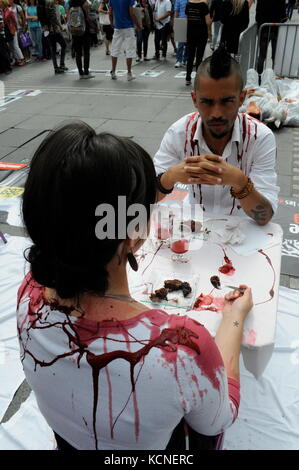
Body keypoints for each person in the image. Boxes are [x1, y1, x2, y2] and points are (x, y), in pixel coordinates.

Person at [18, 120, 253, 450]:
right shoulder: (178, 347)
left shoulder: (28, 294)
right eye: (148, 204)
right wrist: (233, 318)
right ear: (132, 231)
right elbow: (219, 417)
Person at [154, 48, 279, 225]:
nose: (216, 113)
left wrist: (240, 181)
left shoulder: (260, 137)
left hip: (243, 229)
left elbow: (264, 216)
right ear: (195, 99)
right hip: (195, 225)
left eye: (227, 101)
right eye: (207, 102)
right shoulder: (179, 133)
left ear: (241, 98)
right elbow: (146, 197)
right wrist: (170, 176)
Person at [109, 0, 141, 81]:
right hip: (128, 27)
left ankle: (113, 72)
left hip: (118, 26)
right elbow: (132, 13)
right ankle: (129, 73)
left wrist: (111, 23)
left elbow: (110, 12)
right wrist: (138, 25)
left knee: (115, 49)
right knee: (129, 50)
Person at [255, 0, 287, 79]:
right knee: (275, 56)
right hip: (276, 29)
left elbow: (257, 15)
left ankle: (259, 78)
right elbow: (284, 16)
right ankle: (273, 77)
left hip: (264, 29)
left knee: (262, 56)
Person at [185, 0, 212, 86]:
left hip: (190, 34)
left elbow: (186, 20)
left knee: (190, 56)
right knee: (199, 57)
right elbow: (208, 22)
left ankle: (188, 78)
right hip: (201, 34)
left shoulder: (188, 4)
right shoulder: (203, 5)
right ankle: (198, 79)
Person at [68, 0, 94, 78]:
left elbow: (68, 16)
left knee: (78, 53)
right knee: (86, 52)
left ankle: (80, 73)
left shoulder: (70, 2)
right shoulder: (83, 2)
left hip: (74, 30)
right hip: (84, 30)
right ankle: (86, 72)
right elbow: (88, 14)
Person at [44, 0, 68, 73]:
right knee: (63, 45)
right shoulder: (52, 5)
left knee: (53, 49)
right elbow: (55, 18)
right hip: (54, 30)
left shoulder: (46, 4)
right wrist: (60, 27)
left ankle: (56, 67)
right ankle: (61, 65)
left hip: (48, 30)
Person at [1, 0, 26, 65]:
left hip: (12, 29)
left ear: (4, 3)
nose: (0, 4)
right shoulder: (2, 11)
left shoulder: (9, 11)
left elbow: (14, 20)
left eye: (0, 3)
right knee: (11, 46)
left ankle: (22, 59)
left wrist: (15, 28)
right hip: (7, 30)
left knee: (15, 45)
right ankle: (17, 59)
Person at [174, 0, 188, 68]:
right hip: (181, 21)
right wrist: (175, 23)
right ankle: (178, 60)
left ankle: (185, 59)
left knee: (189, 43)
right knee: (180, 43)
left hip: (191, 22)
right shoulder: (178, 0)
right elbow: (176, 11)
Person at [0, 6, 13, 73]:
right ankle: (3, 68)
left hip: (0, 35)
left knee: (3, 52)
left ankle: (8, 67)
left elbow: (2, 24)